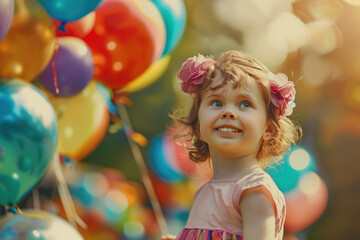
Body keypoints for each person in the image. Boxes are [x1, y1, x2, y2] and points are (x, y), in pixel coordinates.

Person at [163, 50, 302, 240]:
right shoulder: (205, 190)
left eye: (244, 104)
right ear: (198, 123)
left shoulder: (253, 191)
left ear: (268, 128)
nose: (228, 112)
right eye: (217, 102)